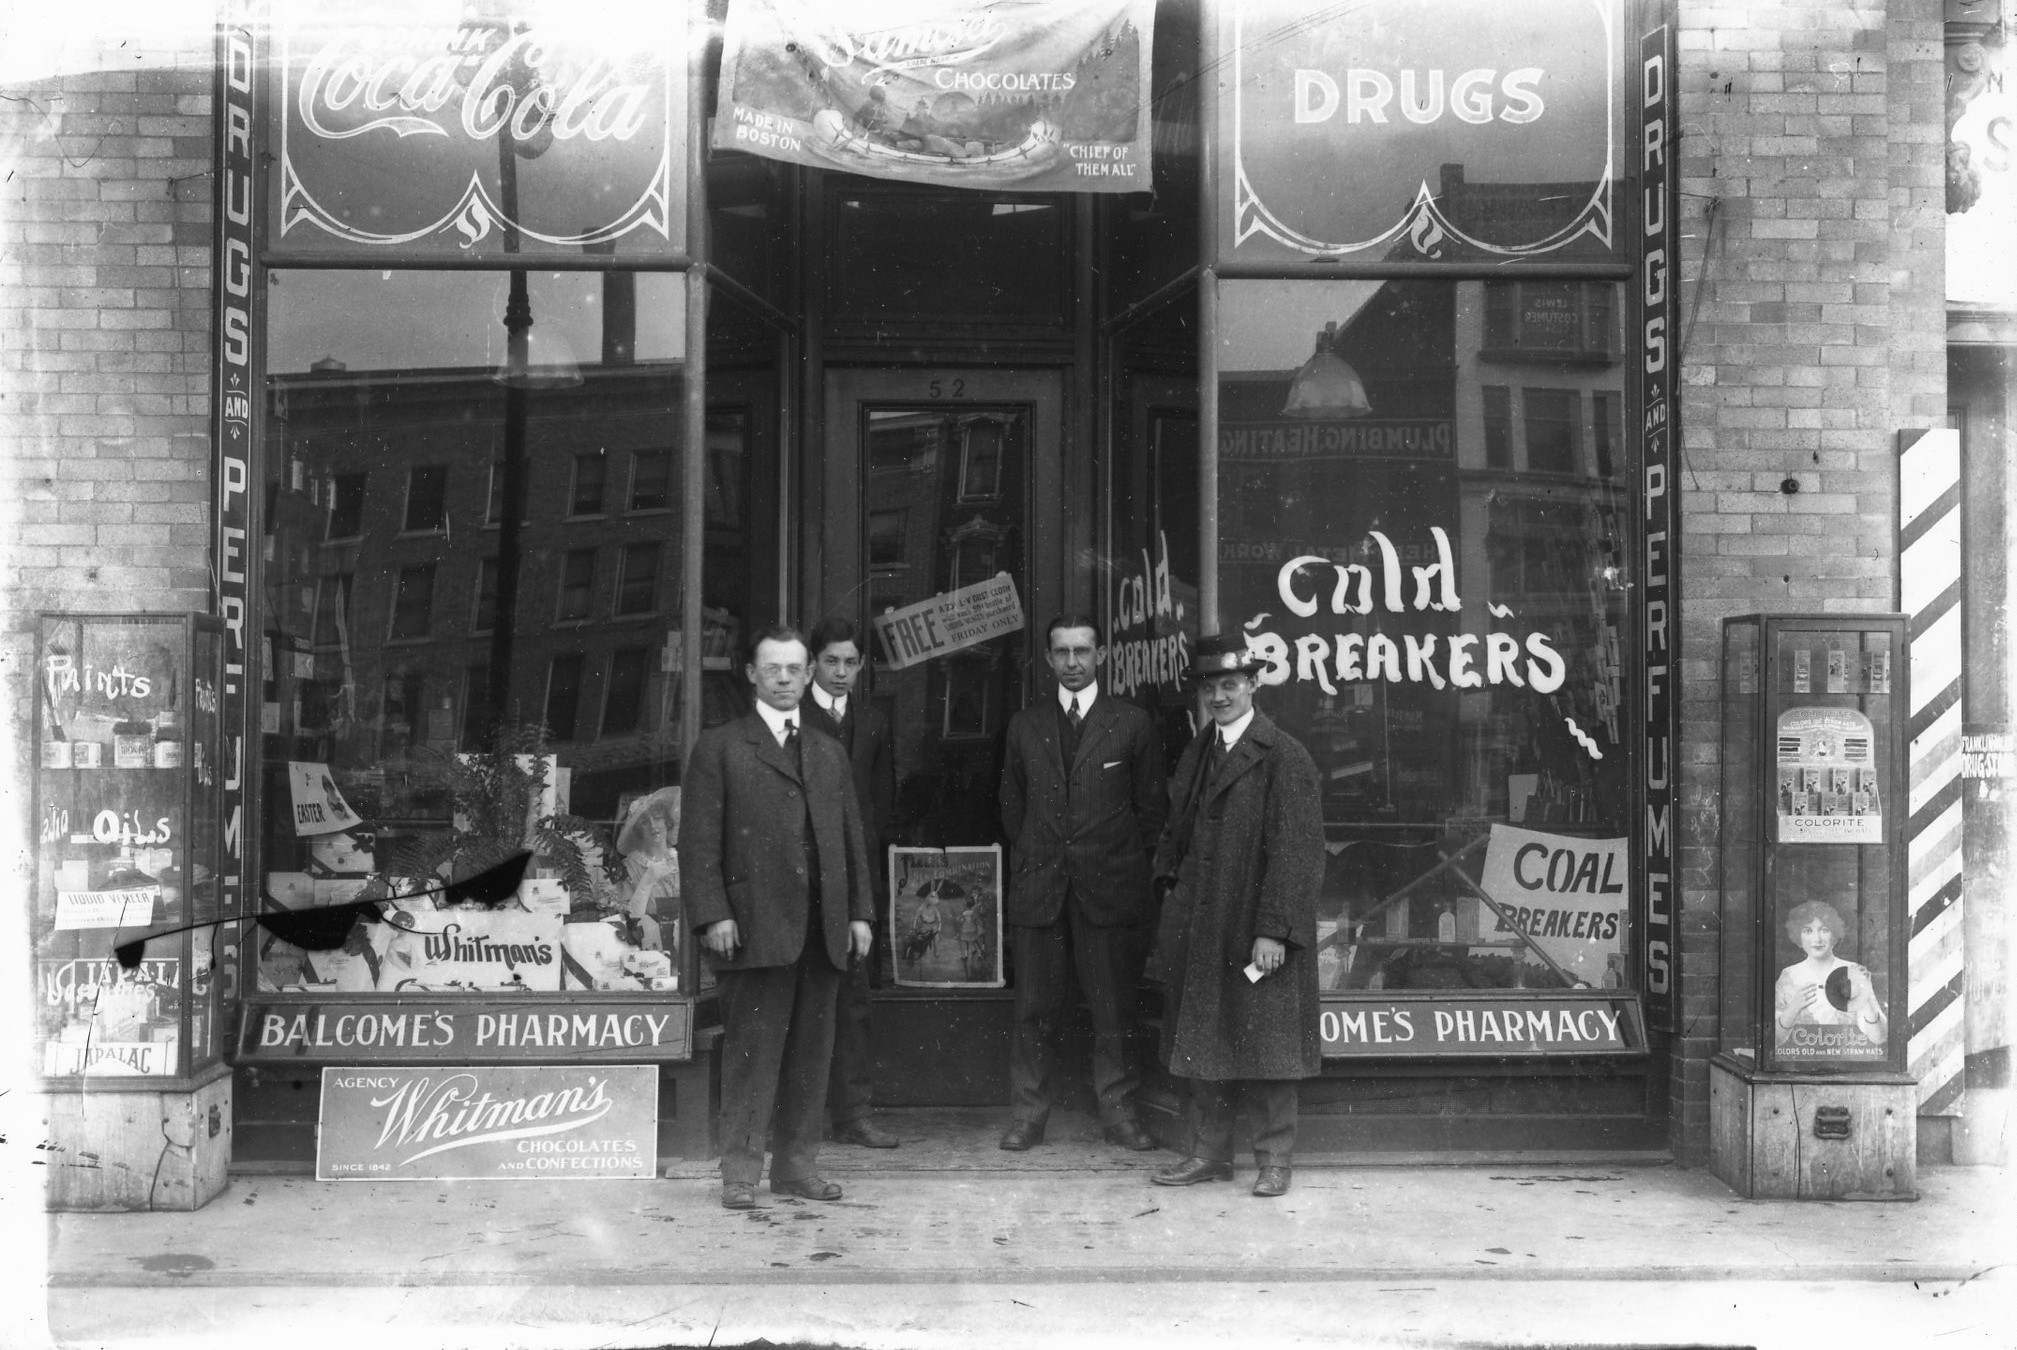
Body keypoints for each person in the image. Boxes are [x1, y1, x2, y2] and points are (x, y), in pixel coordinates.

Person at [680, 625, 874, 1209]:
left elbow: (850, 839)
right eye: (773, 670)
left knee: (811, 1057)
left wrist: (860, 913)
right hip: (753, 926)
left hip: (822, 930)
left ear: (809, 673)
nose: (786, 679)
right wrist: (713, 912)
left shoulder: (827, 751)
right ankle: (739, 1174)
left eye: (795, 669)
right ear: (752, 675)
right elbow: (697, 843)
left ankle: (795, 1169)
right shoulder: (720, 748)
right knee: (751, 1055)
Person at [1149, 633, 1324, 1198]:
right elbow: (1176, 831)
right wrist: (1168, 885)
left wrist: (1274, 931)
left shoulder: (1283, 756)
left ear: (1253, 684)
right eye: (1210, 687)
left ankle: (1275, 1161)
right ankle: (1209, 1154)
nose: (1219, 696)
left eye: (1230, 685)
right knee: (1204, 1042)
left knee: (1269, 1047)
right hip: (1201, 922)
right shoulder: (1200, 750)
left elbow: (1297, 853)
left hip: (1254, 928)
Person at [998, 614, 1168, 1153]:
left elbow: (1151, 813)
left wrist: (1113, 861)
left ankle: (1118, 1113)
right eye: (1062, 652)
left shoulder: (1132, 723)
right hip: (1041, 887)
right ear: (1048, 659)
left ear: (1100, 657)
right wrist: (1040, 853)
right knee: (1033, 1010)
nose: (1073, 663)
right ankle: (1029, 1116)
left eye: (1083, 651)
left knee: (1113, 1007)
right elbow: (1012, 807)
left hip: (1109, 888)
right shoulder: (1025, 725)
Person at [801, 616, 900, 1149]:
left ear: (862, 665)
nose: (841, 672)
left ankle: (854, 1113)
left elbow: (880, 803)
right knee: (803, 998)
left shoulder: (876, 720)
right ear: (814, 662)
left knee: (853, 999)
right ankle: (802, 1117)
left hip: (854, 879)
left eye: (851, 663)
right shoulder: (794, 716)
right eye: (831, 661)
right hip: (802, 877)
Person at [1774, 899, 1887, 1049]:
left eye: (1824, 929)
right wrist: (1793, 1008)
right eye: (1808, 930)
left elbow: (1879, 1037)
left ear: (1834, 933)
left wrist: (1864, 998)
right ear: (1798, 935)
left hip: (1845, 1060)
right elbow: (1774, 1040)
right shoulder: (1788, 975)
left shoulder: (1852, 970)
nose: (1817, 939)